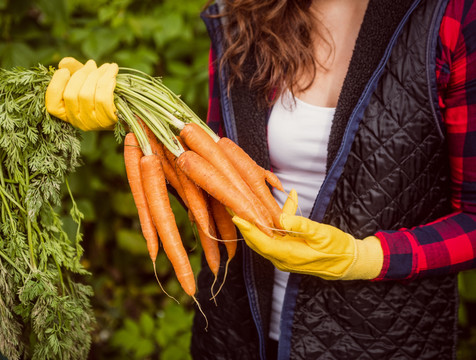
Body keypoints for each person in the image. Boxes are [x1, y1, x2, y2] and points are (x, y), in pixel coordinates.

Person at [190, 0, 476, 359]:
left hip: (382, 338)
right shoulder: (240, 13)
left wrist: (367, 257)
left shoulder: (452, 16)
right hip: (235, 332)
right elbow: (211, 177)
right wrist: (138, 127)